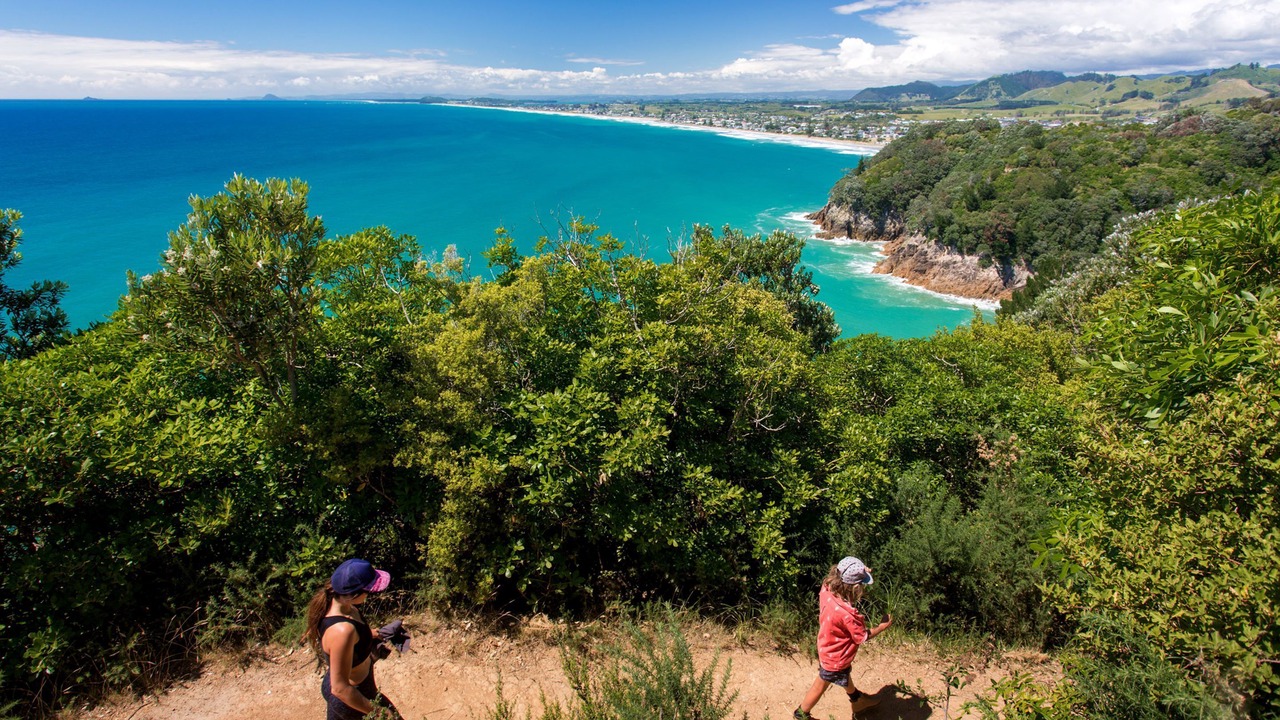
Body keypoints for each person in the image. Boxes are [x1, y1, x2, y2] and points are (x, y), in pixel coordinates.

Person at [793, 556, 893, 720]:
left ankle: (857, 700)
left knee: (844, 674)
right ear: (856, 587)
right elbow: (862, 636)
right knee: (821, 684)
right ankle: (801, 714)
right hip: (836, 657)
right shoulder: (848, 614)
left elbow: (843, 570)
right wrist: (882, 626)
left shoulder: (826, 589)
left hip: (826, 645)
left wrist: (860, 570)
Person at [304, 558, 402, 720]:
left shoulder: (344, 608)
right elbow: (340, 688)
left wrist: (369, 635)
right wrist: (379, 712)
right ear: (353, 594)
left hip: (358, 689)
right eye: (367, 591)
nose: (369, 595)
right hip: (351, 697)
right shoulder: (342, 631)